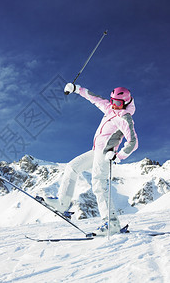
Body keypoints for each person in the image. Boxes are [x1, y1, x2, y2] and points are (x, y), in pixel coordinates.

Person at [45, 83, 138, 235]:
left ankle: (112, 223)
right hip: (96, 151)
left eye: (118, 103)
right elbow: (94, 98)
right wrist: (76, 89)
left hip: (106, 153)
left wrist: (118, 156)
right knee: (72, 166)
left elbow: (133, 142)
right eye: (112, 101)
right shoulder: (109, 109)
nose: (114, 105)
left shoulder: (125, 117)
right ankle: (62, 203)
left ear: (126, 103)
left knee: (98, 184)